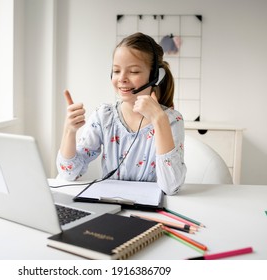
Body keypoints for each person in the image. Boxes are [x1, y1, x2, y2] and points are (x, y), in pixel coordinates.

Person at [56, 32, 186, 195]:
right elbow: (69, 173)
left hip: (153, 212)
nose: (122, 78)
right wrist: (69, 131)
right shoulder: (104, 116)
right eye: (116, 71)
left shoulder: (172, 120)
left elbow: (171, 187)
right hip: (110, 206)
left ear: (155, 76)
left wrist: (159, 119)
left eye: (133, 71)